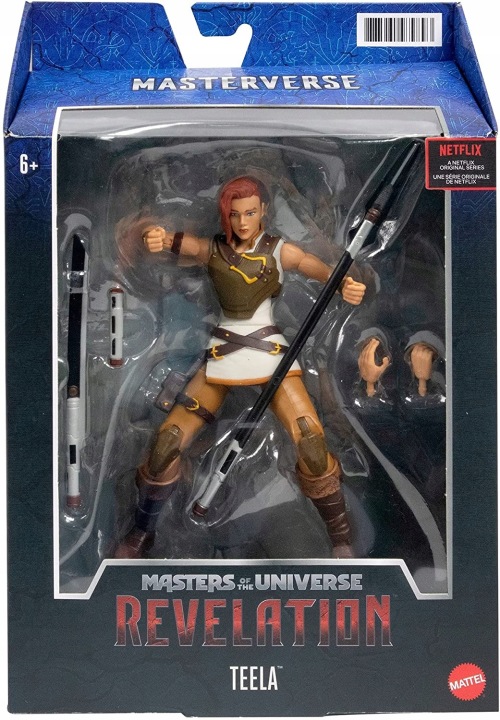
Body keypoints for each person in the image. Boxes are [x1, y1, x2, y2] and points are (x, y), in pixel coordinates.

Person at [114, 176, 366, 559]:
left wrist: (344, 283)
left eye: (250, 213)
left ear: (263, 210)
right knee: (165, 445)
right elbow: (177, 243)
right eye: (235, 214)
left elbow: (313, 267)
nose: (243, 222)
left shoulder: (279, 250)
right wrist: (155, 236)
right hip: (223, 354)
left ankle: (341, 539)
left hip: (270, 353)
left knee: (312, 444)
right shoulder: (214, 249)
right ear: (226, 215)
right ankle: (142, 531)